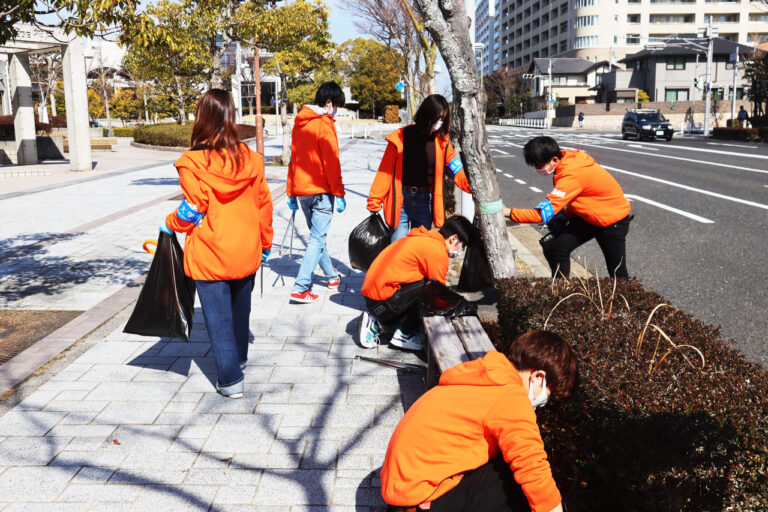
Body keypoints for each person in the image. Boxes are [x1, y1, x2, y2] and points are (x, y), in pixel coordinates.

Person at [380, 330, 578, 512]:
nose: (544, 401)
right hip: (416, 500)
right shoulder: (511, 396)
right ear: (538, 378)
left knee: (508, 454)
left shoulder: (486, 375)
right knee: (516, 480)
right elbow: (532, 466)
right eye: (549, 394)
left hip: (401, 489)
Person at [161, 89, 273, 399]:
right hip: (246, 248)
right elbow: (264, 203)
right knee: (240, 310)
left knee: (218, 318)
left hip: (210, 251)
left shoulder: (192, 162)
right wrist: (266, 242)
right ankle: (239, 359)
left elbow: (193, 208)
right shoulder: (251, 159)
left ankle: (230, 379)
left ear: (202, 118)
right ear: (231, 117)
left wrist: (169, 225)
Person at [503, 136, 632, 279]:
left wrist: (508, 212)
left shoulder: (572, 175)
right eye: (535, 166)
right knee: (555, 246)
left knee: (617, 273)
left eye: (540, 165)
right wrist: (565, 214)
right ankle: (560, 292)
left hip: (613, 221)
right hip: (589, 217)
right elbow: (578, 198)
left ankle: (624, 299)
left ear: (555, 159)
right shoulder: (564, 162)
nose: (538, 169)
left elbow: (540, 215)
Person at [358, 215, 476, 351]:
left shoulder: (424, 239)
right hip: (381, 303)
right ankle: (400, 332)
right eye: (463, 246)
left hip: (375, 296)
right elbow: (439, 293)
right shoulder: (437, 251)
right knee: (429, 289)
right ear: (454, 238)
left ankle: (395, 327)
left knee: (425, 285)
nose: (460, 252)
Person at [367, 94, 472, 243]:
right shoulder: (401, 137)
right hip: (401, 201)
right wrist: (375, 200)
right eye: (437, 118)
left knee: (419, 246)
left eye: (443, 119)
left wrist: (471, 187)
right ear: (426, 115)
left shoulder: (442, 143)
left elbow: (456, 170)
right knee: (398, 248)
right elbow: (385, 171)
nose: (439, 123)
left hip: (425, 202)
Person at [287, 81, 346, 304]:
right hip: (321, 191)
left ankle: (331, 277)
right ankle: (301, 287)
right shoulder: (324, 124)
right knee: (317, 238)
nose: (336, 111)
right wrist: (339, 193)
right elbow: (332, 162)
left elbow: (293, 161)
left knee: (316, 237)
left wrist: (291, 192)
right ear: (329, 103)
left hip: (302, 192)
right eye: (337, 106)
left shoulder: (299, 124)